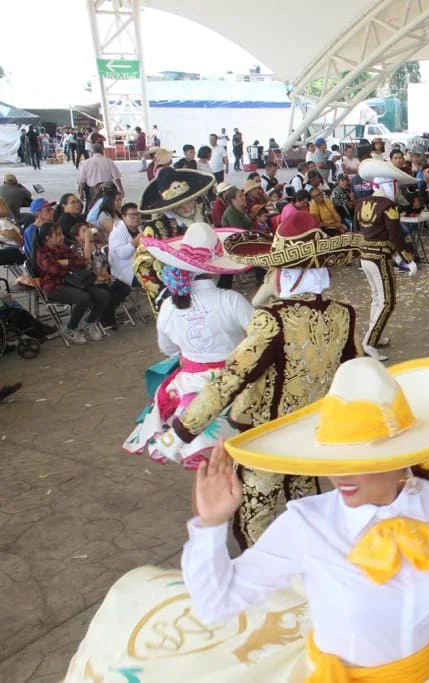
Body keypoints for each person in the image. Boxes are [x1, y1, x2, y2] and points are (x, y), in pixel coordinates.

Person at [66, 354, 429, 682]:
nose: (338, 476)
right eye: (331, 462)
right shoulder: (306, 523)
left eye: (360, 460)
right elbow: (217, 606)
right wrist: (212, 525)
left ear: (403, 460)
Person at [153, 212, 364, 548]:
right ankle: (314, 564)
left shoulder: (272, 319)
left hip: (266, 436)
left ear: (285, 275)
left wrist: (179, 431)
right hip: (312, 428)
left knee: (255, 517)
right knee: (307, 502)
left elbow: (231, 380)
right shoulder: (343, 313)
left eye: (275, 270)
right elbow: (360, 371)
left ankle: (267, 582)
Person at [125, 223, 253, 470]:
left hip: (190, 385)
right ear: (216, 269)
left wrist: (192, 352)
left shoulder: (169, 306)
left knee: (208, 468)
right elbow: (261, 337)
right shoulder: (231, 300)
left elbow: (168, 349)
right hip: (234, 383)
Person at [354, 159, 420, 362]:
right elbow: (396, 235)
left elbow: (358, 230)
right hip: (380, 258)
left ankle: (374, 336)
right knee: (387, 301)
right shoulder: (388, 206)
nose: (397, 190)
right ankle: (370, 343)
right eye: (395, 186)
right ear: (388, 185)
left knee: (377, 297)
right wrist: (408, 259)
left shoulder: (361, 202)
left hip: (365, 256)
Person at [135, 168, 215, 313]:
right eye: (180, 206)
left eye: (189, 201)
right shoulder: (154, 230)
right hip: (175, 296)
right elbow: (141, 266)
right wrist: (167, 291)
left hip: (206, 286)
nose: (187, 208)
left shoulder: (201, 215)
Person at [33, 223, 110, 344]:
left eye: (61, 233)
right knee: (83, 298)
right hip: (54, 288)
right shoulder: (43, 253)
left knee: (103, 295)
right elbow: (55, 270)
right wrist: (68, 265)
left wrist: (66, 262)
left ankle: (89, 322)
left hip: (74, 283)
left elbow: (82, 262)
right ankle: (70, 328)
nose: (62, 237)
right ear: (47, 238)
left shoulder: (63, 248)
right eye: (58, 234)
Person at [108, 202, 142, 287]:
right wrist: (136, 240)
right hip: (126, 270)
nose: (136, 217)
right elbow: (122, 254)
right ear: (123, 216)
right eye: (132, 215)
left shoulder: (139, 228)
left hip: (141, 264)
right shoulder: (116, 233)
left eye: (138, 214)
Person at [22, 198, 56, 263]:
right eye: (48, 210)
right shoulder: (31, 231)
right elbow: (35, 255)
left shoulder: (52, 225)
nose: (52, 212)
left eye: (51, 209)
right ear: (38, 213)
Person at [0, 199, 25, 266]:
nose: (7, 206)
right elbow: (21, 242)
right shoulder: (3, 223)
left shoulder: (3, 221)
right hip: (20, 252)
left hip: (9, 250)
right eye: (4, 204)